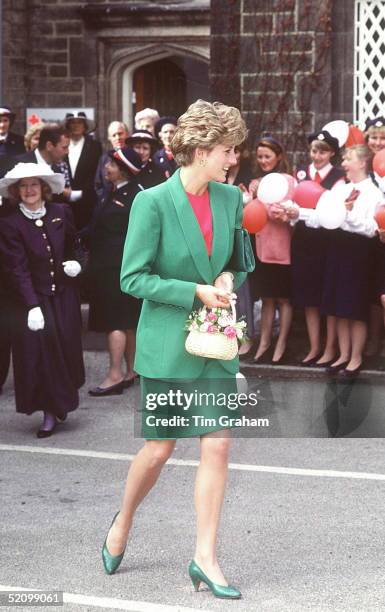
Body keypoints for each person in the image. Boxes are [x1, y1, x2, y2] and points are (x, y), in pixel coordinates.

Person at [101, 100, 247, 599]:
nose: (232, 159)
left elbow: (240, 261)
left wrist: (229, 276)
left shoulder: (230, 198)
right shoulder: (152, 202)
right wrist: (193, 291)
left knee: (219, 443)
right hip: (168, 343)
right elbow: (132, 278)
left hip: (215, 343)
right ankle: (123, 521)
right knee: (160, 449)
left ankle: (205, 556)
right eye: (227, 151)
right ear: (202, 150)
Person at [0, 163, 85, 436]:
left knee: (67, 350)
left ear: (44, 188)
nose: (29, 190)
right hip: (34, 300)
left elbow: (77, 246)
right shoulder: (10, 224)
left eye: (34, 185)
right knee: (44, 356)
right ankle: (50, 411)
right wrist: (32, 305)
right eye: (23, 186)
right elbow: (17, 268)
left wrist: (78, 264)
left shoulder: (62, 212)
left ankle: (61, 401)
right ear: (16, 191)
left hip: (64, 296)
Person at [297, 145, 382, 376]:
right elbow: (321, 215)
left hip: (358, 253)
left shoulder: (373, 193)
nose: (343, 163)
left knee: (354, 308)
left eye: (348, 159)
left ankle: (356, 357)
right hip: (337, 250)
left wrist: (347, 216)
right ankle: (343, 354)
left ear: (363, 163)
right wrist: (297, 213)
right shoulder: (340, 189)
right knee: (337, 307)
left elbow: (371, 228)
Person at [87, 148, 143, 396]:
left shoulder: (135, 195)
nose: (106, 166)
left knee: (116, 321)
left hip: (118, 267)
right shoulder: (110, 192)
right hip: (106, 266)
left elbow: (140, 233)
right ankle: (131, 370)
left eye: (111, 163)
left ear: (123, 169)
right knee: (126, 321)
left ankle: (115, 374)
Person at [290, 129, 345, 366]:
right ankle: (314, 347)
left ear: (332, 153)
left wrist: (299, 212)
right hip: (303, 240)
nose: (317, 155)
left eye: (322, 151)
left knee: (327, 294)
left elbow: (329, 212)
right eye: (314, 150)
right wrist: (290, 213)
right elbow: (293, 201)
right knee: (308, 295)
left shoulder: (339, 177)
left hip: (328, 241)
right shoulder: (302, 173)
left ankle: (330, 348)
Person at [248, 136, 293, 364]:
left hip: (283, 249)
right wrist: (251, 197)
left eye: (268, 156)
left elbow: (282, 212)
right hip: (262, 248)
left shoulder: (287, 180)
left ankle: (282, 343)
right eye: (260, 157)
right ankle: (264, 341)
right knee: (267, 298)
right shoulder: (258, 181)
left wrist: (261, 200)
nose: (264, 160)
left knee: (283, 299)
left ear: (278, 157)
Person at [364, 117, 385, 365]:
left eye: (382, 138)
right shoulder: (362, 167)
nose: (378, 142)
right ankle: (373, 340)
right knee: (370, 289)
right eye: (374, 137)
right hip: (367, 238)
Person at [64, 111, 103, 230]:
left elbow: (96, 173)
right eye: (72, 123)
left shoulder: (95, 146)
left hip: (87, 201)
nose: (76, 126)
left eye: (79, 122)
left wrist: (82, 193)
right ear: (68, 125)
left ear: (85, 126)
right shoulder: (61, 144)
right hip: (64, 201)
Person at [94, 121, 130, 200]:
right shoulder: (104, 159)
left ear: (127, 134)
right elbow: (98, 184)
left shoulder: (133, 157)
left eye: (120, 134)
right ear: (109, 138)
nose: (118, 138)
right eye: (114, 135)